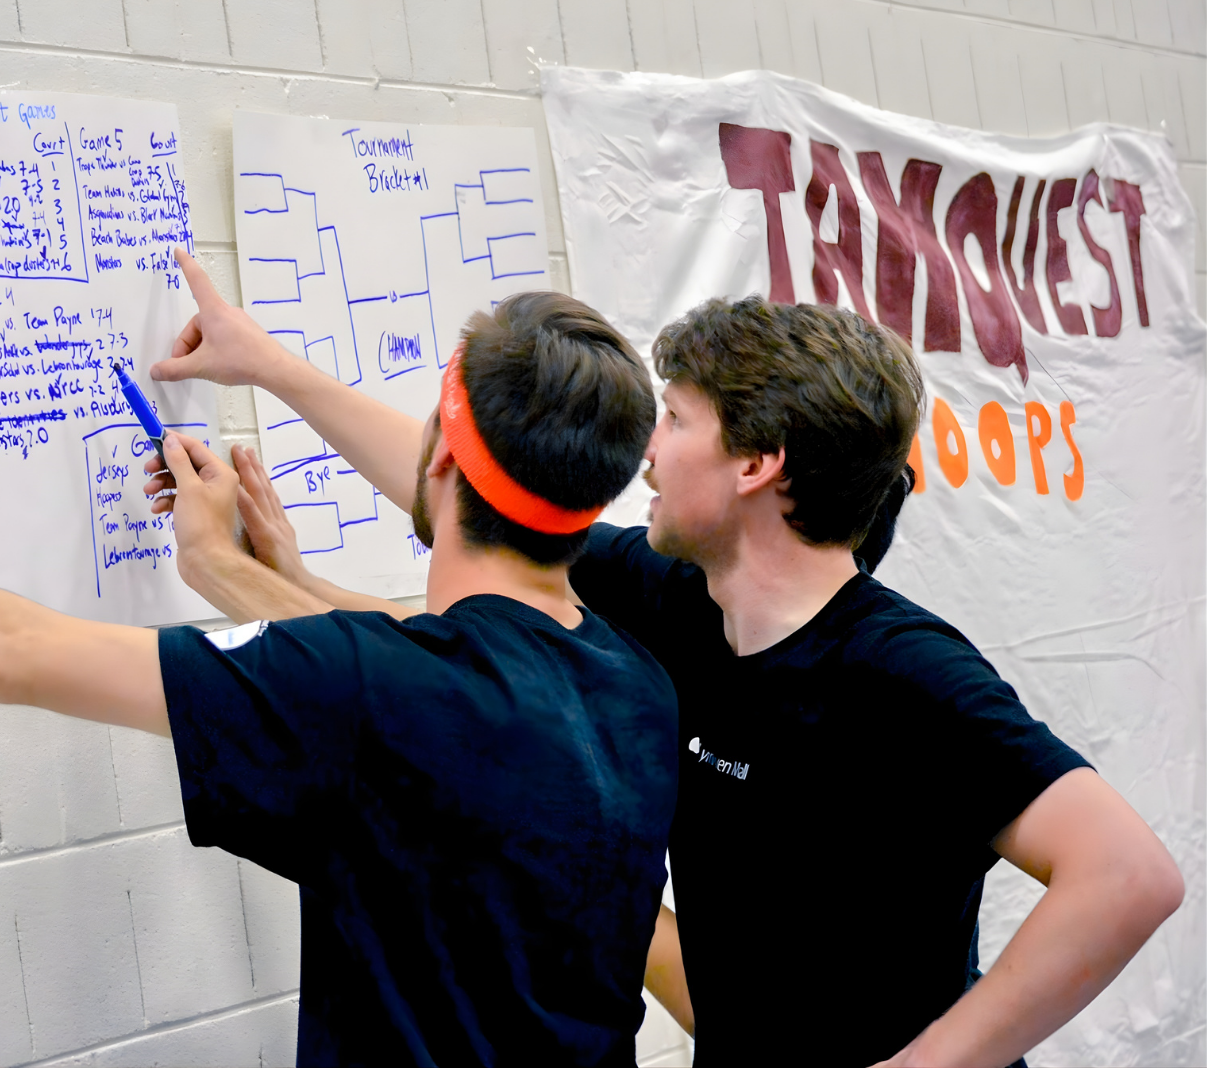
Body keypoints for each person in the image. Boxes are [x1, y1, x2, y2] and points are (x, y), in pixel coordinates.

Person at [151, 262, 1185, 1066]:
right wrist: (269, 372)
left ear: (754, 465)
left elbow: (1127, 876)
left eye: (676, 420)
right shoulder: (674, 602)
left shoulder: (901, 673)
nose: (648, 450)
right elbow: (481, 483)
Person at [0, 283, 678, 1066]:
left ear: (439, 461)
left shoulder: (371, 686)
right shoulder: (633, 686)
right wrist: (252, 574)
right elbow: (435, 663)